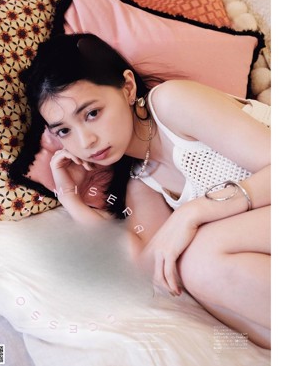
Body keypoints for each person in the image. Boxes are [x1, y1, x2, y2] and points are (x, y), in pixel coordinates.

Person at [20, 33, 271, 348]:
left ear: (127, 87)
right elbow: (148, 266)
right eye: (65, 131)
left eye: (92, 113)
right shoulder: (142, 178)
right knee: (187, 269)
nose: (86, 141)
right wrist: (71, 199)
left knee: (198, 258)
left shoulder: (172, 103)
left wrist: (194, 212)